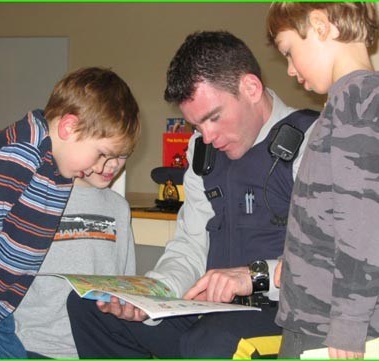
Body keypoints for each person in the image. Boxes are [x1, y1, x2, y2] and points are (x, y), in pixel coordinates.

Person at [67, 30, 319, 359]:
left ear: (250, 88)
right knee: (93, 309)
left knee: (210, 341)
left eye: (214, 117)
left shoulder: (313, 142)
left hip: (285, 317)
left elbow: (325, 263)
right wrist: (153, 296)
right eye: (197, 126)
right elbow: (190, 247)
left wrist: (252, 276)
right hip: (212, 314)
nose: (208, 136)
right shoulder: (202, 151)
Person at [0, 66, 140, 359]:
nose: (102, 166)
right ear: (69, 128)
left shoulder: (57, 166)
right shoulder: (22, 150)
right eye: (101, 154)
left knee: (7, 351)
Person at [266, 2, 379, 359]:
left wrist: (349, 324)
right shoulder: (349, 103)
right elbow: (334, 207)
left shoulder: (360, 104)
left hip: (333, 328)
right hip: (320, 317)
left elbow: (365, 227)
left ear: (320, 25)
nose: (290, 69)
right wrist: (296, 257)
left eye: (289, 52)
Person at [14, 169, 136, 359]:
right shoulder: (32, 200)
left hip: (100, 343)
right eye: (105, 153)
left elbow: (126, 278)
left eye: (122, 155)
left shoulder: (119, 206)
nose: (113, 164)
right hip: (36, 345)